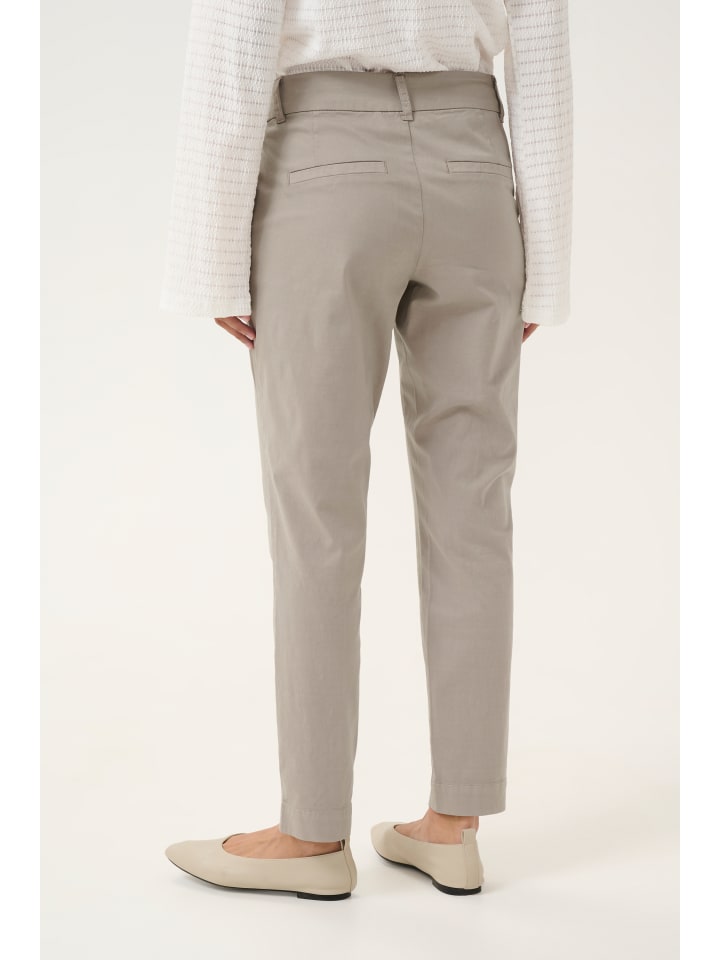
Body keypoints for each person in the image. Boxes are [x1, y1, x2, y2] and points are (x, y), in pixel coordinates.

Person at [160, 1, 573, 900]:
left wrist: (210, 257)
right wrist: (546, 267)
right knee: (474, 514)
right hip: (477, 171)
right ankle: (454, 826)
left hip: (325, 169)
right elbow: (541, 57)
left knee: (317, 515)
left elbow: (235, 42)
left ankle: (311, 834)